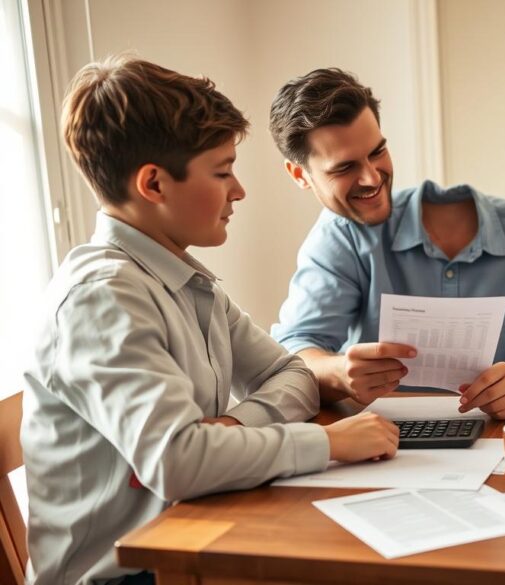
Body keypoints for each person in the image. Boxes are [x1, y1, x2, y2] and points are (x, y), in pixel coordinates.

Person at [21, 56, 398, 585]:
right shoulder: (101, 300)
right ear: (153, 184)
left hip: (197, 541)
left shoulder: (184, 281)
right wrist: (331, 444)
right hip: (129, 575)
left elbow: (294, 376)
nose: (239, 190)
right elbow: (178, 462)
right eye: (222, 171)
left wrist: (233, 429)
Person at [269, 68, 505, 420]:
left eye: (378, 151)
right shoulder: (340, 236)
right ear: (300, 175)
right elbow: (295, 350)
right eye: (344, 168)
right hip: (376, 440)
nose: (372, 177)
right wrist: (339, 373)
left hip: (497, 434)